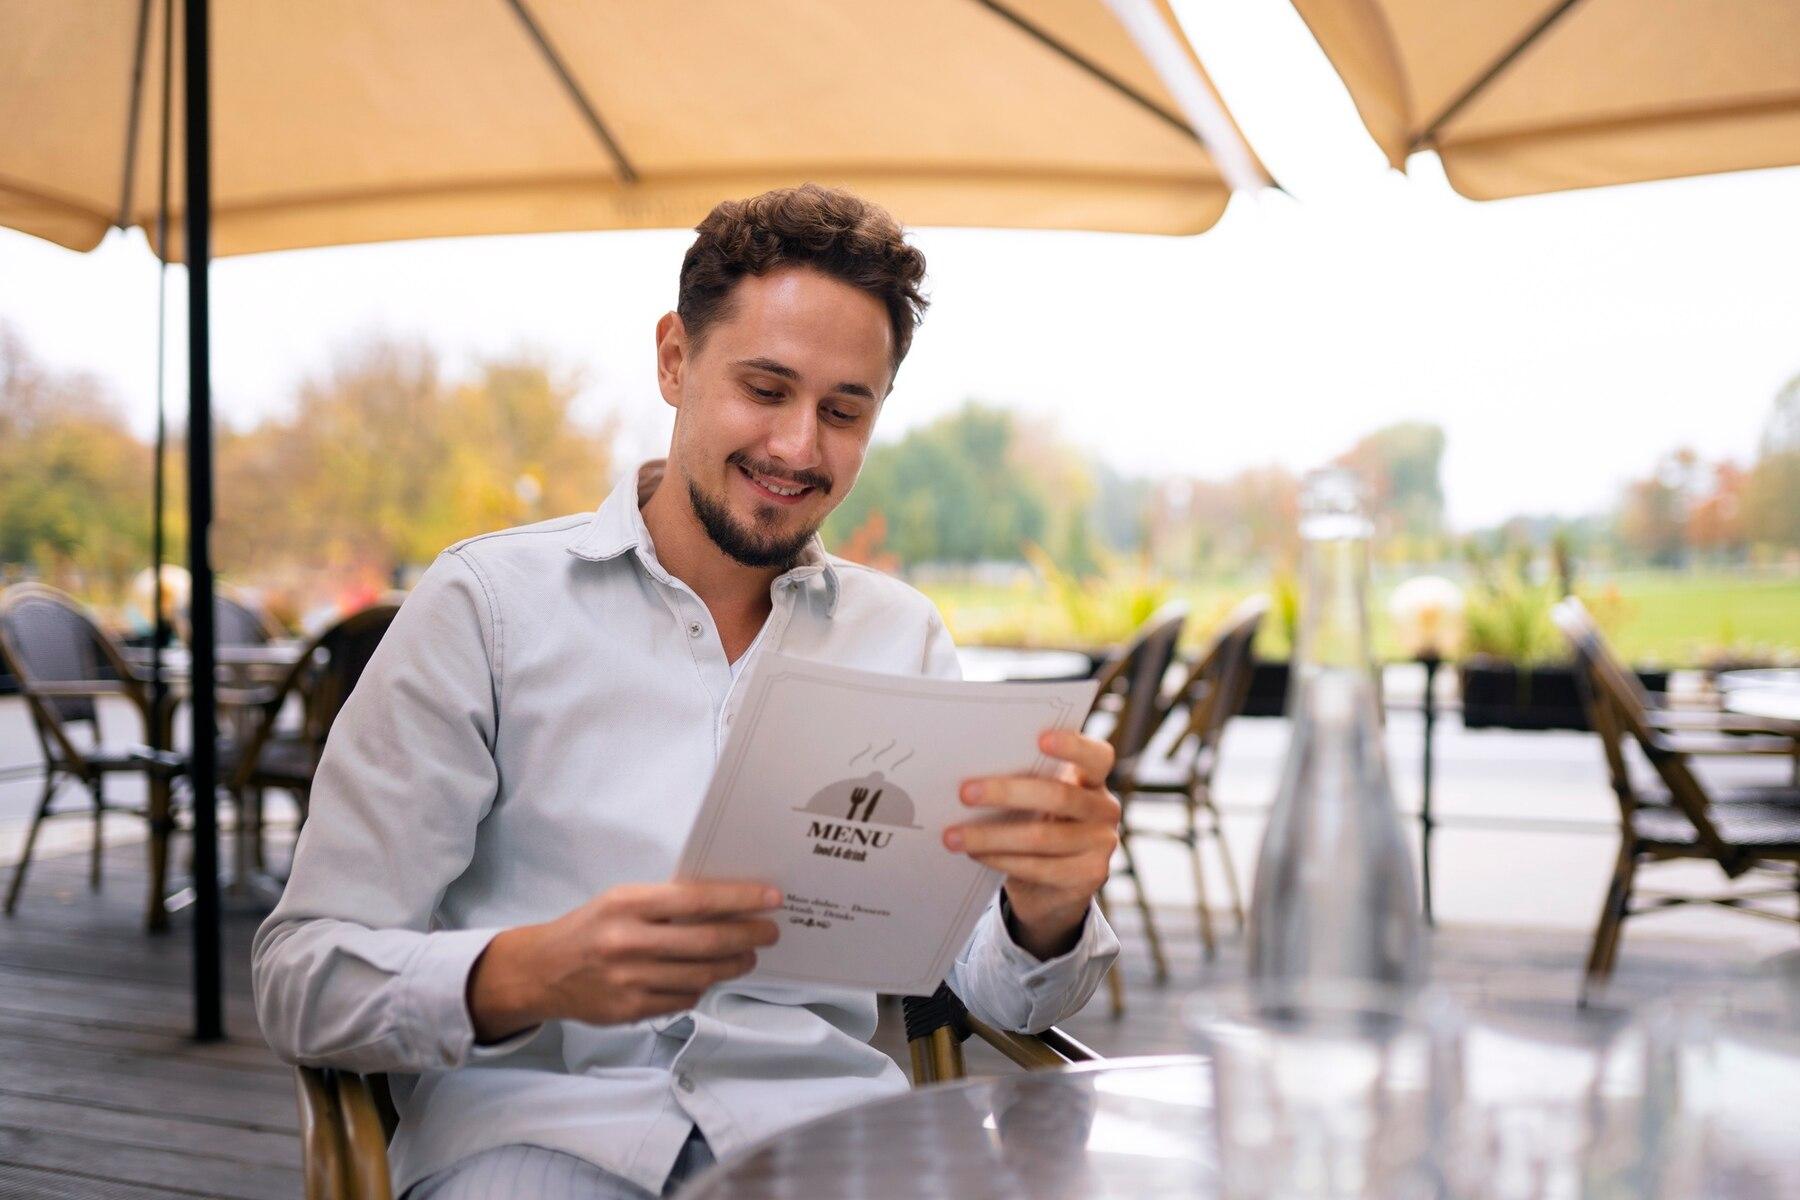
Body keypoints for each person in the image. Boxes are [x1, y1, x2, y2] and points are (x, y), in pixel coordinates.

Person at [252, 184, 1121, 1200]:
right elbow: (300, 974)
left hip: (828, 1151)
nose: (800, 447)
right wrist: (522, 973)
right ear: (674, 358)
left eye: (845, 410)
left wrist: (1046, 910)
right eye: (765, 389)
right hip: (535, 1151)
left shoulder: (901, 636)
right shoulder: (484, 608)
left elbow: (994, 990)